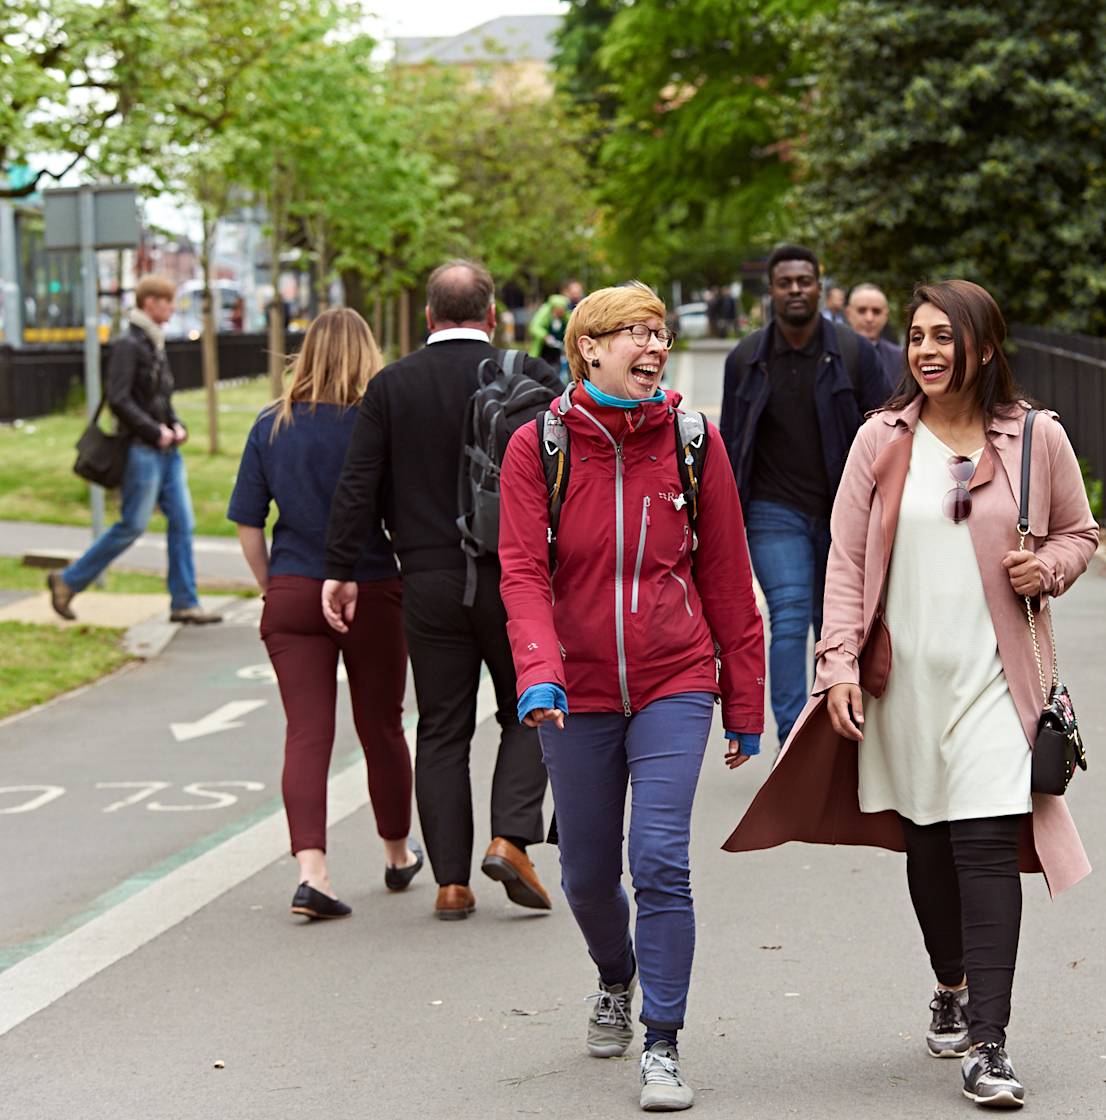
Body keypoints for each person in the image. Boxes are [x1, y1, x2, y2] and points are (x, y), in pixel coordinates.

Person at [725, 280, 1099, 1110]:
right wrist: (838, 668)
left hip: (996, 687)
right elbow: (847, 564)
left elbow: (1081, 532)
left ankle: (991, 1045)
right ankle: (952, 983)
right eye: (918, 337)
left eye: (944, 337)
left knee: (988, 850)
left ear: (985, 348)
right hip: (904, 689)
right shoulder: (881, 441)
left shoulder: (1037, 438)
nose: (926, 351)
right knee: (929, 851)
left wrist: (1052, 568)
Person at [498, 282, 765, 1112]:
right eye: (637, 335)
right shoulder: (536, 447)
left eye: (660, 333)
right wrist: (538, 665)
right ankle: (615, 976)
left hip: (672, 678)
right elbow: (522, 571)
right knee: (583, 874)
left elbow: (724, 572)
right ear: (590, 348)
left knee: (657, 859)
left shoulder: (692, 439)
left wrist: (745, 698)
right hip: (573, 689)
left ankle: (662, 1040)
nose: (655, 347)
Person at [321, 259, 558, 921]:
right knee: (529, 707)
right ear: (491, 316)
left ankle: (452, 883)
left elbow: (357, 486)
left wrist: (341, 569)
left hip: (426, 576)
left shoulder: (391, 385)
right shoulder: (532, 377)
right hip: (516, 578)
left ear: (428, 317)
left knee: (443, 728)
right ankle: (510, 836)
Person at [228, 308, 421, 920]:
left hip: (292, 588)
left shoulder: (271, 424)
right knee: (382, 727)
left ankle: (313, 872)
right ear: (368, 355)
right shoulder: (379, 425)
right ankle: (396, 853)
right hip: (370, 588)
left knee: (306, 733)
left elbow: (247, 522)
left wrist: (272, 584)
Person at [720, 244, 892, 745]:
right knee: (791, 615)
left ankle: (843, 732)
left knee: (838, 625)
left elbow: (889, 432)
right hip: (773, 512)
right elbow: (731, 447)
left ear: (819, 286)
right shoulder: (746, 359)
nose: (795, 289)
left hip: (845, 513)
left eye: (804, 281)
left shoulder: (853, 353)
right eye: (785, 282)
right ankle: (794, 741)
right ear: (771, 291)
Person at [47, 275, 223, 625]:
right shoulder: (130, 344)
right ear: (150, 303)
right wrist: (153, 430)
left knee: (183, 522)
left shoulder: (154, 343)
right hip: (142, 450)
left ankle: (185, 602)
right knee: (132, 525)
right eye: (167, 302)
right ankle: (67, 581)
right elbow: (119, 398)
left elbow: (161, 398)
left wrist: (176, 425)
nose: (172, 308)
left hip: (167, 451)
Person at [847, 282, 904, 385]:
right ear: (848, 314)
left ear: (886, 315)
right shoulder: (831, 355)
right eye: (862, 311)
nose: (869, 318)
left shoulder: (900, 359)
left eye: (876, 311)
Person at [529, 294, 570, 370]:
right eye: (558, 310)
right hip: (544, 351)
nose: (560, 313)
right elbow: (534, 327)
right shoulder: (545, 315)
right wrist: (545, 336)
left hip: (558, 352)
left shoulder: (565, 317)